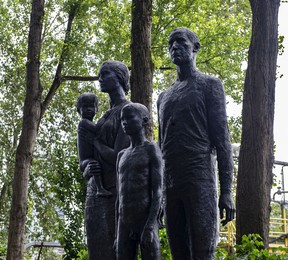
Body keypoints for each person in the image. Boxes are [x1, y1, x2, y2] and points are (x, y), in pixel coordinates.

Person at [157, 28, 236, 259]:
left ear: (195, 47)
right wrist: (161, 195)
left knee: (203, 252)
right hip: (171, 185)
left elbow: (222, 141)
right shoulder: (164, 97)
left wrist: (227, 192)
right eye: (170, 44)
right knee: (178, 252)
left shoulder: (209, 85)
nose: (174, 47)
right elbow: (162, 149)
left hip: (199, 179)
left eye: (180, 42)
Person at [79, 61, 130, 259]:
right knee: (96, 247)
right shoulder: (100, 118)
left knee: (116, 247)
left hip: (116, 190)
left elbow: (121, 155)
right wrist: (87, 167)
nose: (100, 79)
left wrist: (96, 142)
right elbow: (83, 161)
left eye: (104, 74)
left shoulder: (128, 111)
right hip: (95, 193)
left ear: (118, 77)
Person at [115, 103, 163, 260]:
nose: (124, 122)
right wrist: (117, 231)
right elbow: (119, 198)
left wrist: (150, 226)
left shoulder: (151, 149)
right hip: (124, 221)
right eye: (122, 119)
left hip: (145, 218)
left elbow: (158, 191)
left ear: (144, 120)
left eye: (129, 118)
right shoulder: (121, 155)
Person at [77, 92, 112, 197]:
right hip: (85, 160)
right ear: (79, 110)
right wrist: (106, 116)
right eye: (85, 106)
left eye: (91, 106)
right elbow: (98, 129)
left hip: (93, 157)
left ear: (97, 109)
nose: (88, 109)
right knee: (94, 165)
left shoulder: (91, 123)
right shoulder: (83, 123)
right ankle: (100, 188)